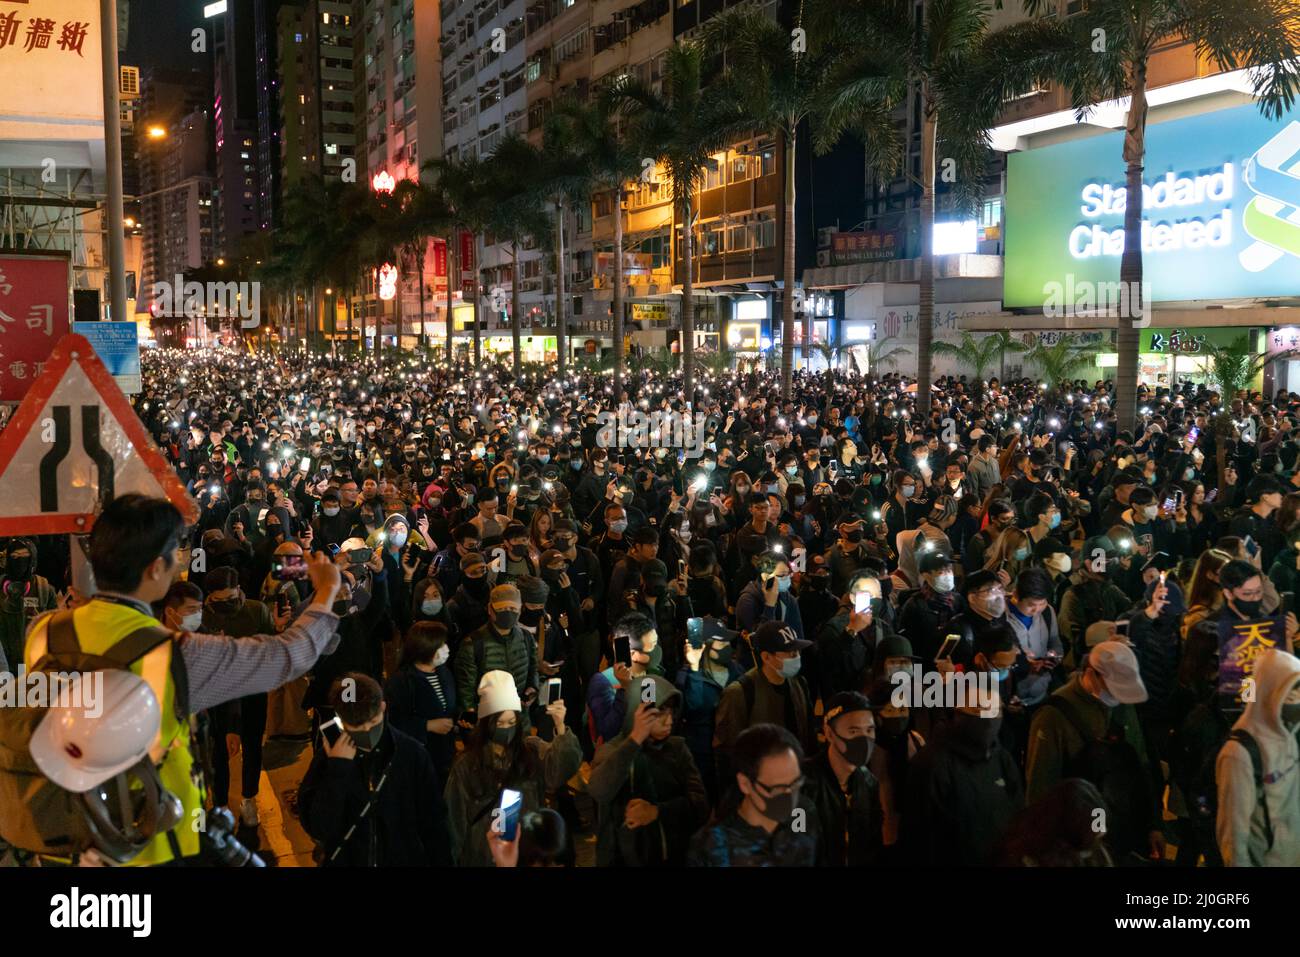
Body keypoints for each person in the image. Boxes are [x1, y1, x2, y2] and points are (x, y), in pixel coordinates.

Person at [20, 494, 342, 866]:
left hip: (62, 844)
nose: (179, 563)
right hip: (152, 848)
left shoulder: (43, 632)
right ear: (156, 569)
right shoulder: (177, 654)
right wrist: (326, 592)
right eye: (175, 554)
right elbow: (288, 655)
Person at [1025, 641, 1161, 862]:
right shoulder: (1053, 715)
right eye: (1112, 688)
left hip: (1123, 829)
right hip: (1078, 838)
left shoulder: (1122, 704)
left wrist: (1154, 825)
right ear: (1091, 673)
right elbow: (1040, 786)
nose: (1117, 697)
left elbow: (1141, 765)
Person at [297, 673, 452, 866]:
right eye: (357, 726)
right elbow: (318, 828)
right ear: (340, 720)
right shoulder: (329, 758)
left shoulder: (412, 754)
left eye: (373, 722)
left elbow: (434, 822)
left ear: (383, 707)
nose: (367, 732)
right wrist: (338, 770)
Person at [443, 670, 581, 866]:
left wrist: (560, 727)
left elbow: (560, 771)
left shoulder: (531, 751)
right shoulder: (467, 765)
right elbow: (454, 822)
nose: (506, 729)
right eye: (499, 723)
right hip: (482, 857)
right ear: (486, 723)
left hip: (526, 853)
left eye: (511, 722)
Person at [587, 675, 709, 866]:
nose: (669, 721)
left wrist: (658, 811)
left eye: (672, 713)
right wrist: (635, 739)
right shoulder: (613, 751)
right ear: (637, 712)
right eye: (659, 713)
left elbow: (700, 805)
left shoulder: (677, 748)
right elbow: (598, 790)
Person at [902, 695, 1024, 866]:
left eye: (994, 710)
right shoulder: (931, 764)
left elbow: (1017, 813)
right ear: (957, 711)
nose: (988, 718)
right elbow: (920, 837)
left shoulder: (1002, 759)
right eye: (977, 709)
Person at [200, 566, 277, 829]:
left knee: (252, 746)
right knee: (218, 752)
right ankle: (220, 804)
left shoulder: (256, 611)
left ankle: (249, 798)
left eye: (230, 599)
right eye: (219, 601)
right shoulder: (202, 617)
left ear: (239, 591)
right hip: (217, 696)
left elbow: (270, 646)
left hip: (253, 692)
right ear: (210, 598)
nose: (225, 605)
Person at [1215, 648, 1300, 866]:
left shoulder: (1290, 734)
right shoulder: (1239, 753)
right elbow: (1234, 836)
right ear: (1270, 693)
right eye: (1290, 694)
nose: (1297, 702)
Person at [687, 723, 816, 866]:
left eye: (796, 783)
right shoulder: (710, 846)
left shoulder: (804, 814)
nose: (790, 797)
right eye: (777, 788)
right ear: (745, 784)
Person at [713, 621, 816, 784]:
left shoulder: (799, 683)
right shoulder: (740, 692)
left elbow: (808, 733)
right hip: (760, 786)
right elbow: (728, 752)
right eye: (790, 652)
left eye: (797, 651)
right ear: (766, 657)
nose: (797, 657)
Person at [801, 691, 884, 866]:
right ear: (829, 734)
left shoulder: (869, 784)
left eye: (869, 730)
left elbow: (872, 847)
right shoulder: (802, 783)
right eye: (853, 731)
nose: (864, 739)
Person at [454, 582, 539, 731]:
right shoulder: (473, 644)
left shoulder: (526, 638)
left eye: (513, 608)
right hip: (488, 722)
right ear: (490, 609)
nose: (508, 613)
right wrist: (471, 714)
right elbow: (465, 688)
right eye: (502, 608)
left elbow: (533, 669)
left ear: (520, 611)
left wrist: (533, 688)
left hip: (520, 720)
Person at [384, 622, 458, 783]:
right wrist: (426, 725)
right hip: (419, 758)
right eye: (441, 644)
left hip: (445, 755)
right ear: (426, 647)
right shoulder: (401, 681)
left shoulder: (444, 672)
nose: (446, 648)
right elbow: (393, 722)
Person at [0, 538, 57, 672]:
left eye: (24, 556)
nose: (19, 561)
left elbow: (54, 630)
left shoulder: (45, 590)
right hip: (3, 664)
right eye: (14, 556)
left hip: (34, 664)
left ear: (32, 559)